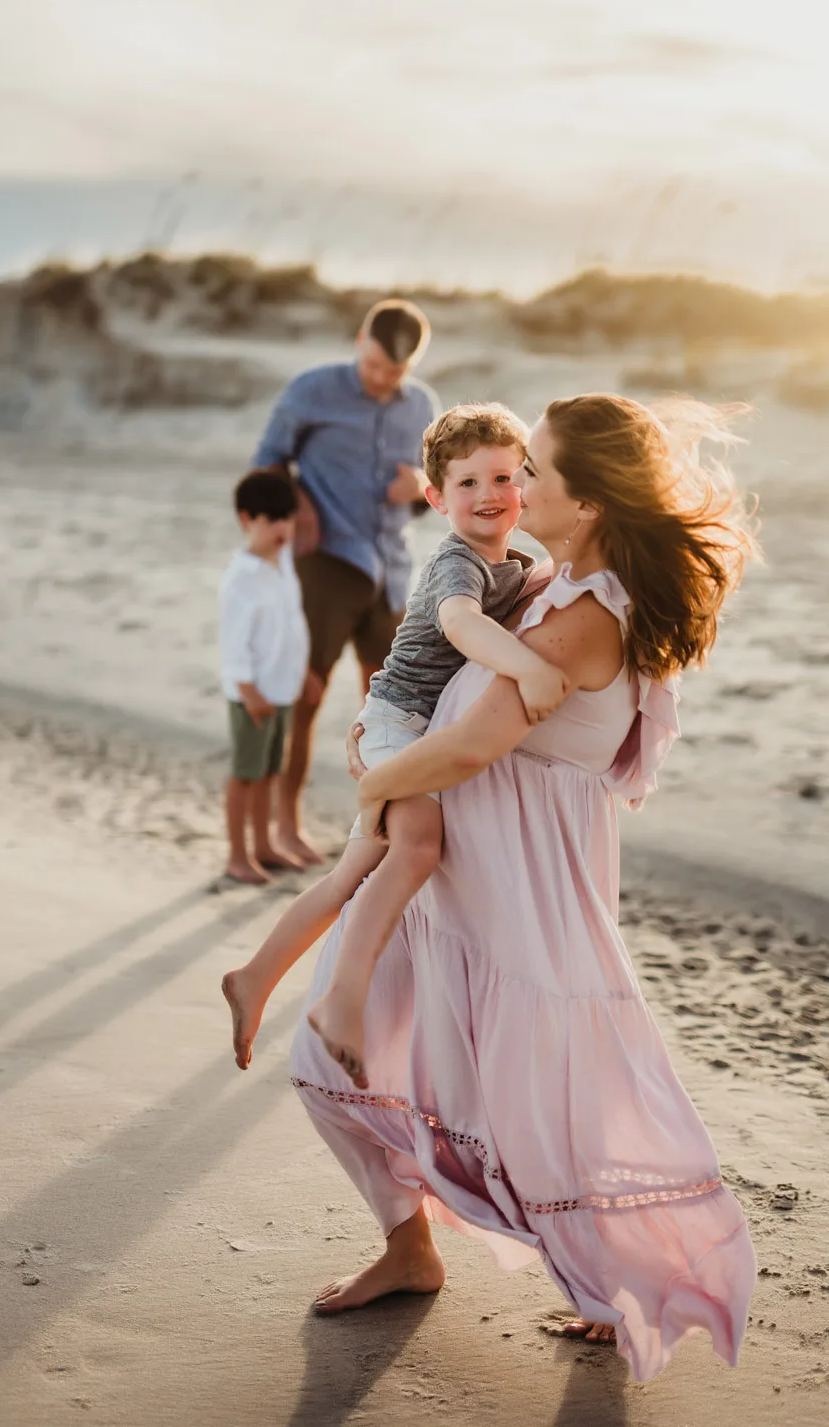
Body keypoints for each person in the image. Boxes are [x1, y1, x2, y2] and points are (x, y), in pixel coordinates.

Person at [288, 394, 760, 1382]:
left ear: (584, 504)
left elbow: (474, 741)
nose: (520, 486)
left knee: (539, 1100)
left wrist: (373, 782)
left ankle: (617, 1279)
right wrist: (384, 738)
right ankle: (410, 1250)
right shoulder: (555, 579)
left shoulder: (587, 615)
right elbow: (443, 669)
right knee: (339, 1057)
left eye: (536, 472)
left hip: (511, 888)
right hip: (453, 867)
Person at [222, 405, 569, 1073]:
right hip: (393, 724)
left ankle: (254, 976)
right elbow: (464, 624)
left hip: (416, 729)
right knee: (417, 846)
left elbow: (536, 589)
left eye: (501, 477)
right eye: (466, 484)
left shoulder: (516, 561)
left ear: (524, 484)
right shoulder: (456, 564)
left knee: (352, 874)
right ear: (435, 499)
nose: (488, 495)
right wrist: (526, 665)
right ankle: (342, 1000)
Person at [252, 298, 440, 865]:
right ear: (361, 340)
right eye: (376, 364)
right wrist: (300, 502)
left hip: (391, 573)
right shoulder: (313, 390)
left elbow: (433, 491)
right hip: (326, 564)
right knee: (302, 701)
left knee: (391, 712)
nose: (383, 378)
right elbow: (266, 465)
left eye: (396, 371)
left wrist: (419, 490)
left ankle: (380, 833)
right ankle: (285, 825)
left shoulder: (423, 406)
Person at [218, 470, 316, 884]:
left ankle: (263, 845)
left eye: (286, 518)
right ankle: (237, 856)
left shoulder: (283, 563)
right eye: (270, 519)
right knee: (246, 774)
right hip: (253, 694)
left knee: (271, 771)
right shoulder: (242, 577)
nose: (281, 528)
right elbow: (233, 643)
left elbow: (292, 623)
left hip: (282, 688)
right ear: (246, 520)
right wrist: (248, 689)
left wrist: (305, 671)